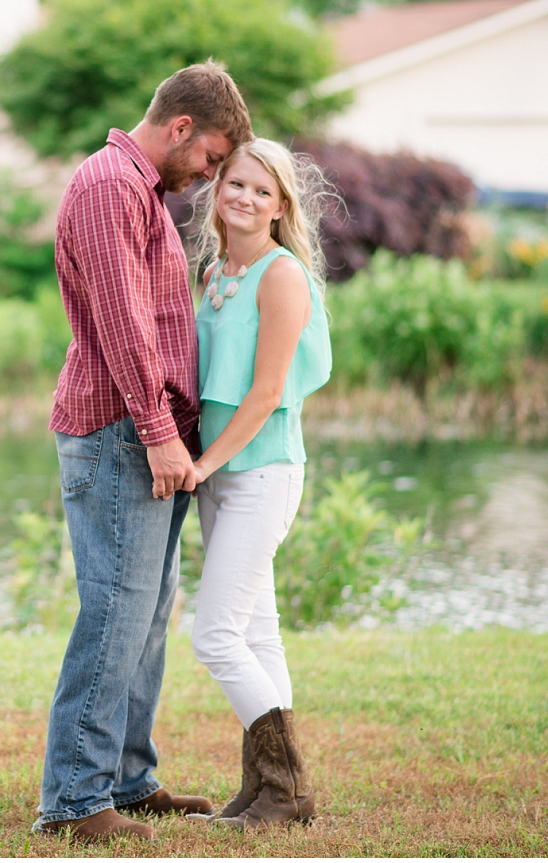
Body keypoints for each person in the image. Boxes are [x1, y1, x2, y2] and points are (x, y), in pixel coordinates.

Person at [34, 62, 252, 844]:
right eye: (209, 156)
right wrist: (160, 432)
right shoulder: (108, 187)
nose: (209, 176)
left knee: (148, 613)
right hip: (120, 432)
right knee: (116, 612)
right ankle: (72, 799)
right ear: (182, 126)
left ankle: (127, 777)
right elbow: (123, 324)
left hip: (146, 431)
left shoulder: (143, 193)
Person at [185, 138, 333, 830]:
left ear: (280, 208)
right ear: (219, 191)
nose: (244, 197)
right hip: (221, 475)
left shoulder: (281, 275)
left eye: (261, 191)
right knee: (258, 633)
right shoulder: (218, 272)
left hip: (261, 472)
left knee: (214, 634)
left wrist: (205, 465)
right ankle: (263, 790)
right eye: (235, 183)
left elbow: (269, 388)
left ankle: (288, 783)